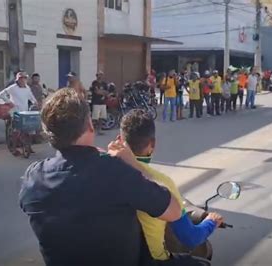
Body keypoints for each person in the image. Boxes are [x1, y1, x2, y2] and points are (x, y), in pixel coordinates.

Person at [19, 89, 182, 266]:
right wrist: (133, 163)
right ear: (90, 124)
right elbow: (173, 211)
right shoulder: (116, 172)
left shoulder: (33, 178)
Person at [119, 109, 223, 265]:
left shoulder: (104, 170)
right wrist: (211, 221)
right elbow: (190, 238)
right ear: (152, 144)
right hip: (151, 260)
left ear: (120, 139)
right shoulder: (161, 182)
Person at [90, 71, 109, 135]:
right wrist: (102, 92)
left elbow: (107, 93)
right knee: (95, 118)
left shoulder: (104, 84)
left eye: (101, 75)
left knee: (101, 117)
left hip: (103, 103)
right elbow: (96, 91)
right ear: (97, 76)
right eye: (99, 75)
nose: (100, 76)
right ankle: (93, 130)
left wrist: (102, 92)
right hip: (96, 102)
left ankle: (99, 130)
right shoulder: (94, 83)